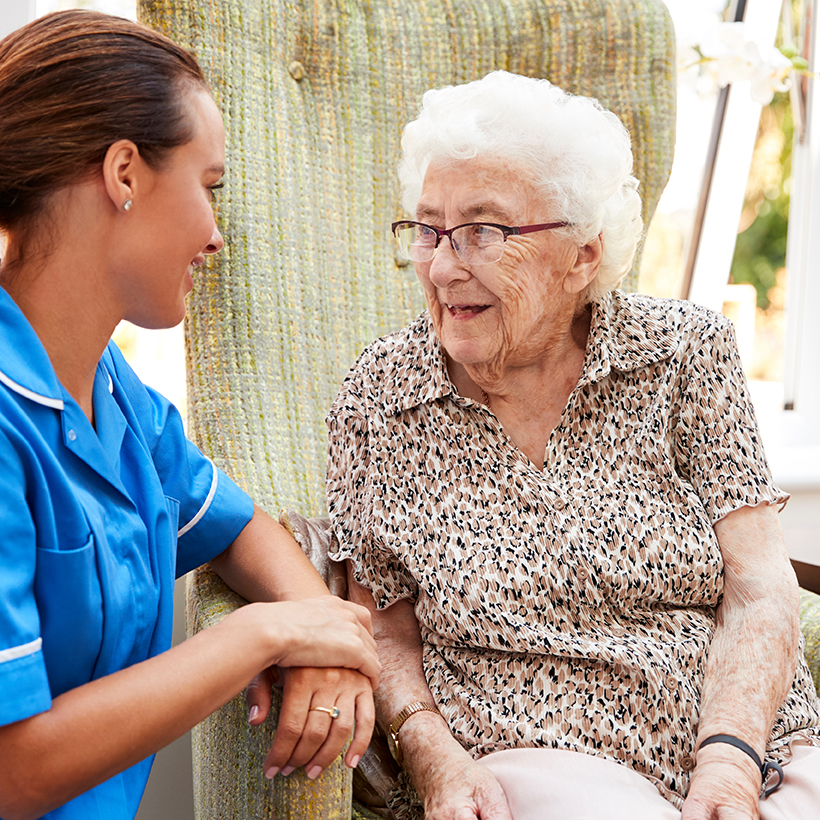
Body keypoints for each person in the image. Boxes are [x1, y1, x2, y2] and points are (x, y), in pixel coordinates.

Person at [326, 71, 820, 820]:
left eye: (483, 231)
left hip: (750, 753)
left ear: (582, 256)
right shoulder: (382, 397)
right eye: (427, 229)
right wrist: (434, 758)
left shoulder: (683, 355)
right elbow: (383, 630)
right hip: (539, 766)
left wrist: (728, 762)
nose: (443, 264)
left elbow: (760, 585)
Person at [0, 11, 379, 820]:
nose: (215, 236)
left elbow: (240, 527)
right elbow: (12, 771)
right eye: (208, 189)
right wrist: (261, 637)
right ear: (125, 175)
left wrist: (321, 639)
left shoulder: (114, 396)